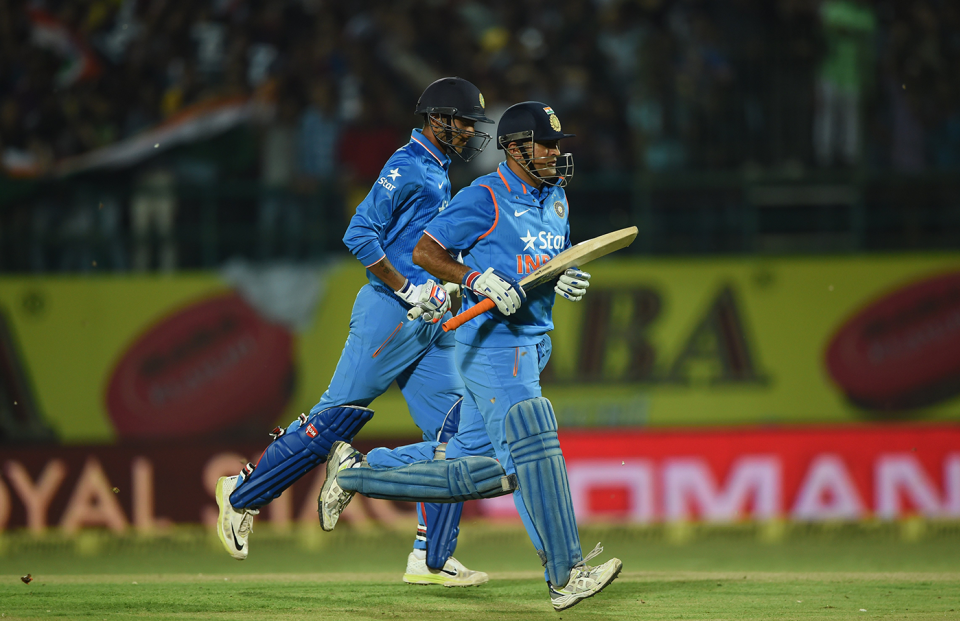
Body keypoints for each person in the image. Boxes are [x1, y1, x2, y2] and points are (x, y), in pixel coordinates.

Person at [317, 101, 622, 612]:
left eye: (557, 144)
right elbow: (425, 251)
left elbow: (540, 261)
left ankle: (354, 472)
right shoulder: (484, 196)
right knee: (531, 448)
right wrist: (474, 278)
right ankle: (565, 575)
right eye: (545, 145)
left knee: (473, 464)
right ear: (515, 147)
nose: (555, 152)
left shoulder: (557, 201)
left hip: (534, 341)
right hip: (496, 348)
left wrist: (557, 275)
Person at [215, 77, 495, 586]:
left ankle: (430, 558)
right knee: (338, 417)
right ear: (438, 119)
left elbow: (428, 246)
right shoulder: (408, 164)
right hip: (392, 311)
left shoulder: (437, 170)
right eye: (465, 121)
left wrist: (449, 285)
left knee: (456, 432)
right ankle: (240, 495)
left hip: (429, 318)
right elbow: (358, 233)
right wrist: (409, 289)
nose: (472, 131)